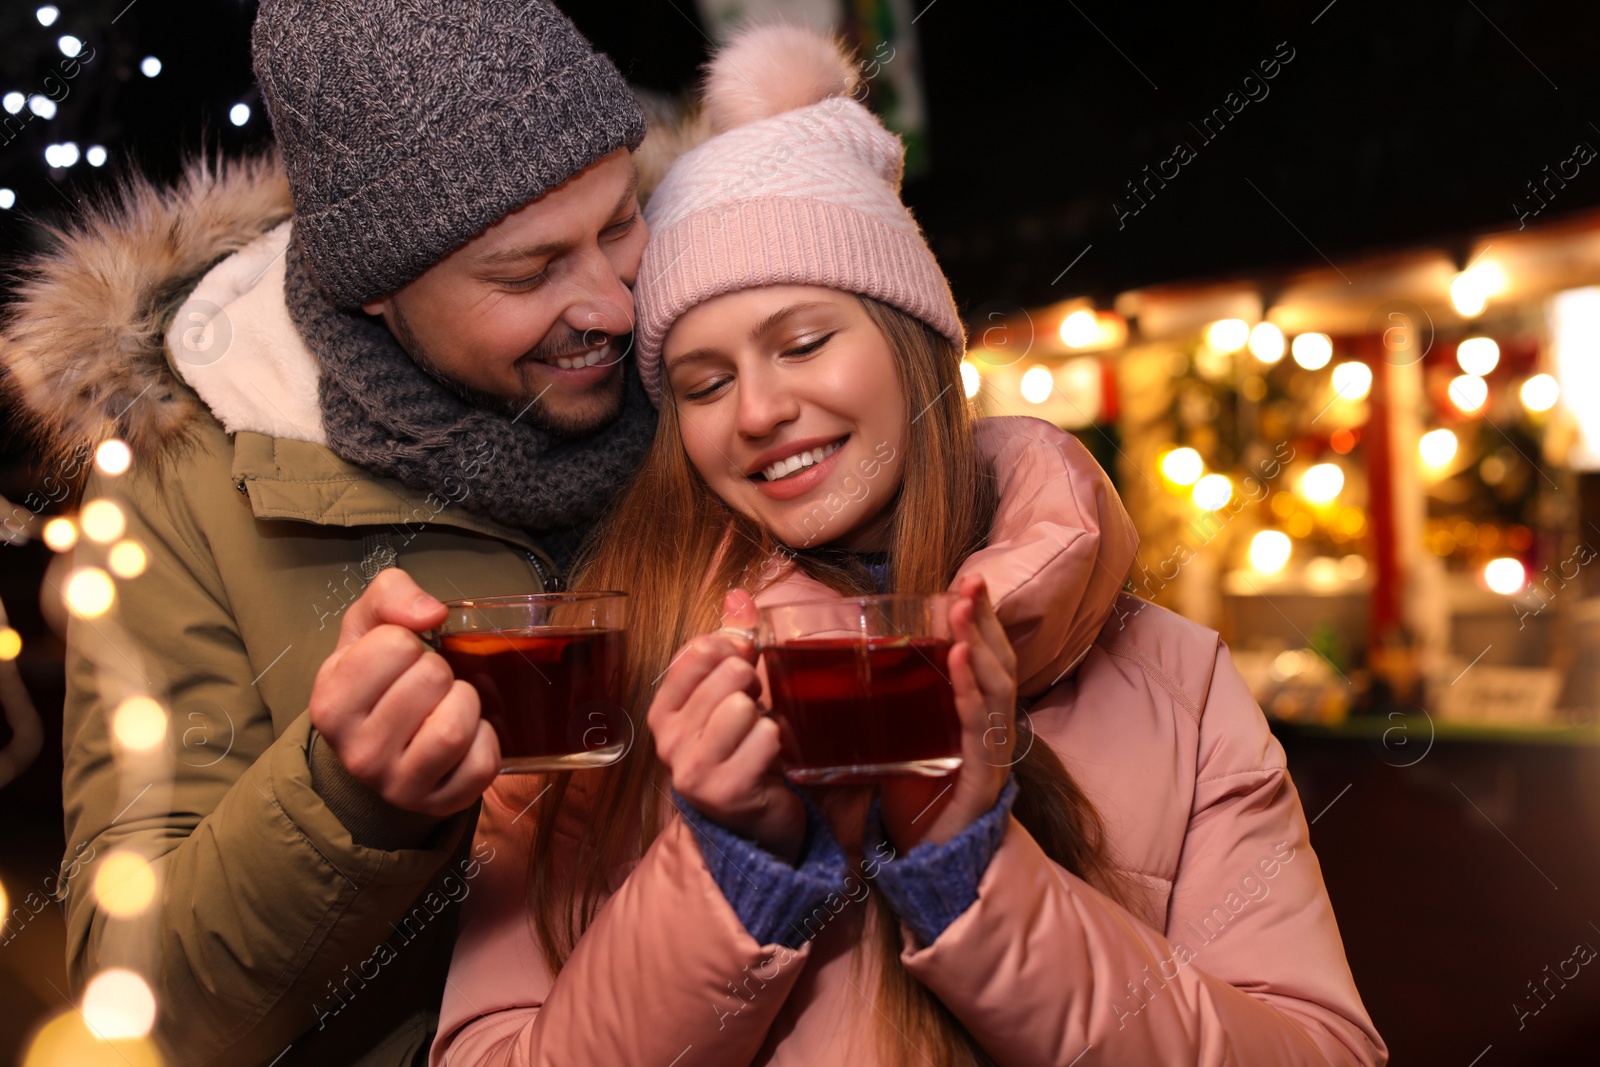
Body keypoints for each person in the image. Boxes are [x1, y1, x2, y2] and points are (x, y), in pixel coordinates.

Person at [433, 22, 1388, 1067]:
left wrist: (970, 867)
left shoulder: (1175, 680)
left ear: (914, 343)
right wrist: (728, 868)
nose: (757, 409)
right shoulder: (596, 686)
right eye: (702, 383)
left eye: (802, 342)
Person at [0, 1, 658, 1063]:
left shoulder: (714, 325)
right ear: (371, 295)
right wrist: (344, 800)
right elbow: (146, 1000)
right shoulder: (184, 484)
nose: (614, 307)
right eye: (528, 272)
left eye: (620, 221)